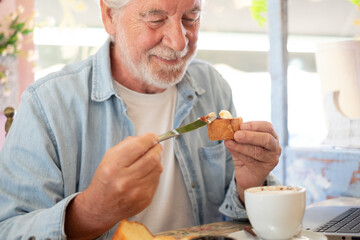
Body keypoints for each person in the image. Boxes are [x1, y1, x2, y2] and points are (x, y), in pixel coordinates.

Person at [0, 0, 282, 239]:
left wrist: (250, 188)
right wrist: (90, 212)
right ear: (110, 16)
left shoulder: (212, 86)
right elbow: (9, 229)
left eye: (191, 17)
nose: (179, 41)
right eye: (156, 19)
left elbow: (236, 222)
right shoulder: (47, 104)